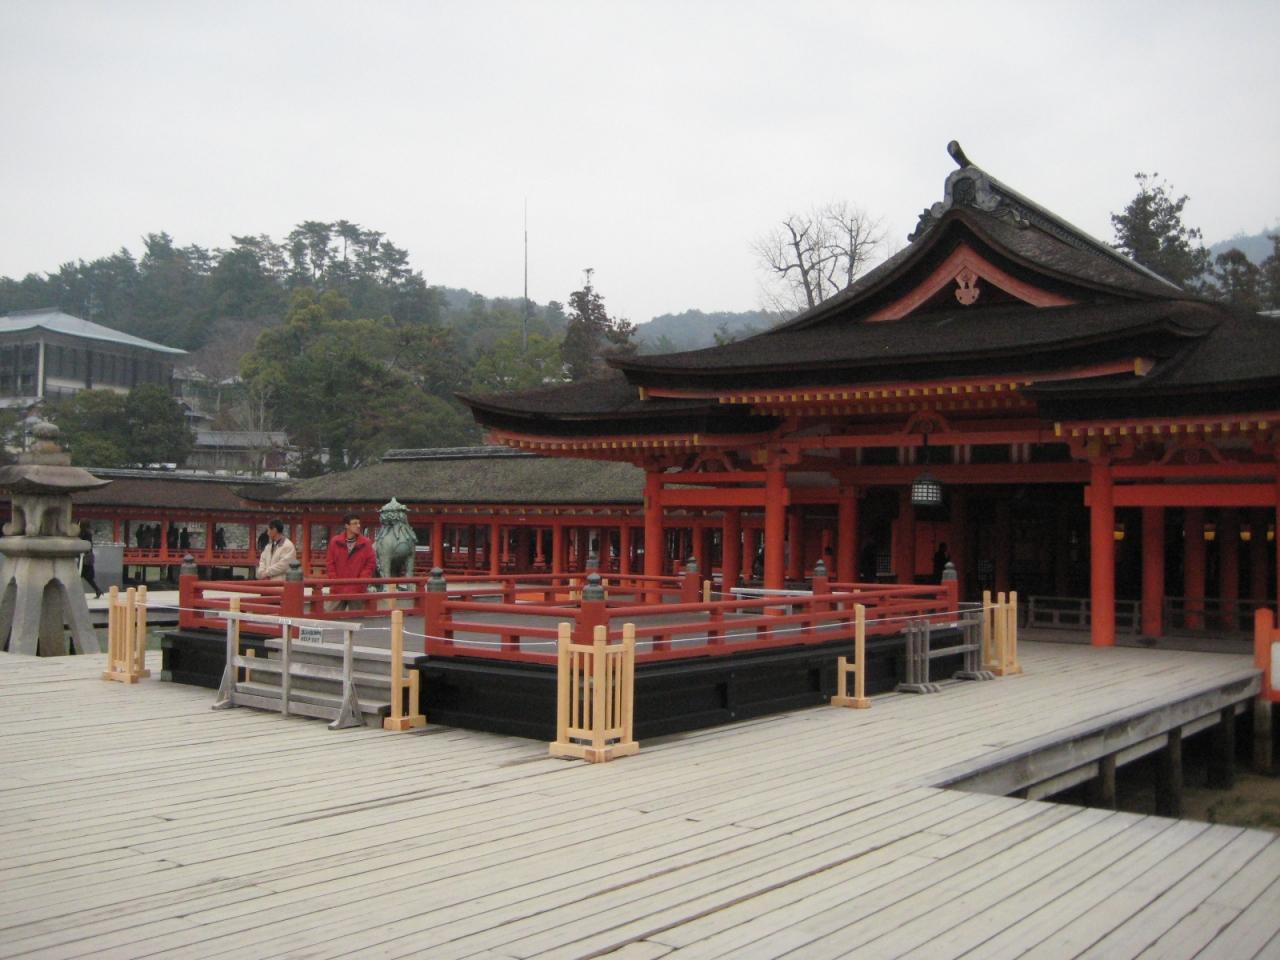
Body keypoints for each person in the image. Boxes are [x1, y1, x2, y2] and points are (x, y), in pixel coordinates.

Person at [325, 514, 376, 610]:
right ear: (346, 525)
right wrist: (334, 580)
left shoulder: (366, 543)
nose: (358, 526)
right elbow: (330, 563)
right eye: (354, 523)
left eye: (359, 523)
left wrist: (362, 580)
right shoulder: (335, 542)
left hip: (357, 588)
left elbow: (370, 563)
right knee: (331, 616)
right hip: (338, 588)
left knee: (356, 617)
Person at [78, 521, 101, 598]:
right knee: (86, 576)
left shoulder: (86, 534)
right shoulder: (86, 533)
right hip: (86, 556)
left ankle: (77, 592)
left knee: (81, 574)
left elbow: (87, 544)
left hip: (85, 557)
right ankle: (97, 590)